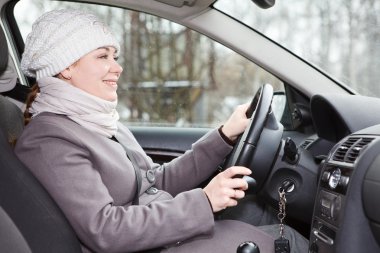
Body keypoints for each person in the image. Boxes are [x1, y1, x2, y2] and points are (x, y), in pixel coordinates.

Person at [15, 9, 309, 253]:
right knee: (290, 241)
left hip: (161, 231)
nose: (117, 68)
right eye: (103, 56)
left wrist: (223, 135)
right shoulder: (49, 140)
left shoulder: (97, 120)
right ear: (66, 67)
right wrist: (204, 202)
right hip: (147, 246)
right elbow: (105, 231)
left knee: (266, 214)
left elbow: (155, 181)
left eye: (114, 56)